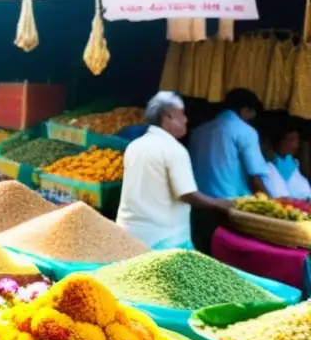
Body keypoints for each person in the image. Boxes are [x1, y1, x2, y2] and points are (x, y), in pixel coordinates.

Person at [117, 92, 231, 250]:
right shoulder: (174, 149)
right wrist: (217, 204)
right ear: (167, 116)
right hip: (164, 241)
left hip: (129, 236)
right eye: (182, 114)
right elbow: (186, 194)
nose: (186, 120)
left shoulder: (134, 146)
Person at [189, 89, 268, 252]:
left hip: (198, 208)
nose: (251, 119)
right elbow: (256, 179)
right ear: (245, 110)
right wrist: (271, 207)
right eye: (252, 113)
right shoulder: (245, 131)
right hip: (230, 213)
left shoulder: (199, 131)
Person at [264, 121, 311, 199]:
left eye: (297, 140)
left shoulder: (292, 162)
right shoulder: (269, 166)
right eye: (291, 140)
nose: (296, 145)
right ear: (280, 141)